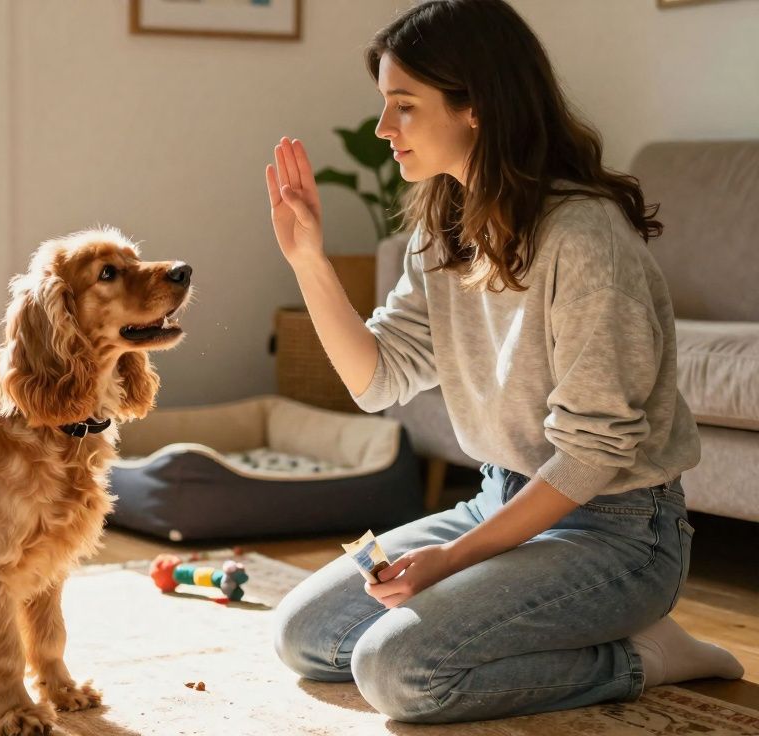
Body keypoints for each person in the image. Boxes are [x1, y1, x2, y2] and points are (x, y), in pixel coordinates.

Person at [266, 0, 744, 723]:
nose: (383, 129)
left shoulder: (584, 238)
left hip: (618, 532)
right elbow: (377, 381)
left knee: (396, 671)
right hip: (501, 498)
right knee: (307, 637)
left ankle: (643, 655)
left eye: (403, 106)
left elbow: (590, 457)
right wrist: (307, 259)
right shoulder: (444, 230)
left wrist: (454, 562)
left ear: (476, 109)